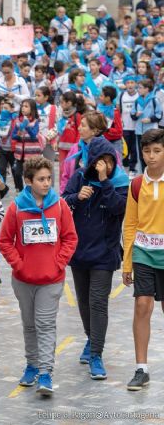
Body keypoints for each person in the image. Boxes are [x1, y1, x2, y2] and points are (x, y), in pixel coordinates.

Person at [0, 157, 78, 396]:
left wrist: (58, 263)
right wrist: (18, 264)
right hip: (23, 279)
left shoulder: (60, 206)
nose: (46, 183)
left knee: (45, 324)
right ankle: (31, 365)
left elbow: (70, 238)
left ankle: (45, 373)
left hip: (51, 279)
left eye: (49, 179)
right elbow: (4, 241)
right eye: (41, 179)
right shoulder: (16, 207)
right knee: (29, 325)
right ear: (28, 181)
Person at [62, 137, 128, 379]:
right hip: (79, 251)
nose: (106, 166)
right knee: (84, 301)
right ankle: (91, 339)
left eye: (110, 161)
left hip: (105, 253)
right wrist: (76, 197)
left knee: (98, 302)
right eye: (101, 161)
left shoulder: (120, 181)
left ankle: (96, 355)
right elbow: (63, 202)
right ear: (92, 160)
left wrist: (104, 182)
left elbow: (118, 208)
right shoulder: (79, 176)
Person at [121, 128, 164, 391]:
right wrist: (127, 263)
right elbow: (130, 225)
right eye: (147, 151)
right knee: (142, 306)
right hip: (144, 252)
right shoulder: (136, 184)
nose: (151, 157)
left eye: (157, 151)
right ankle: (141, 368)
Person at [131, 79, 162, 173]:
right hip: (139, 131)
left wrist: (149, 119)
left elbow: (159, 115)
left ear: (147, 89)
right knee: (142, 154)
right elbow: (132, 115)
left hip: (151, 131)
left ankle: (156, 171)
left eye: (140, 88)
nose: (138, 90)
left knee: (153, 152)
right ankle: (145, 173)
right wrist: (136, 114)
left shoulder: (154, 100)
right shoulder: (137, 101)